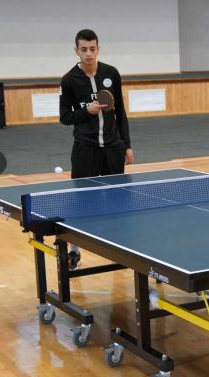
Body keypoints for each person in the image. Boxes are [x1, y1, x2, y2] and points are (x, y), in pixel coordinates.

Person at [59, 28, 133, 269]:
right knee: (82, 201)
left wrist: (127, 145)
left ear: (98, 49)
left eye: (92, 49)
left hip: (113, 148)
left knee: (117, 200)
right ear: (76, 51)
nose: (89, 54)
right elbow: (64, 117)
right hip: (85, 149)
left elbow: (120, 111)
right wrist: (86, 111)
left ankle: (119, 247)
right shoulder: (69, 80)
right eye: (84, 49)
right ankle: (75, 250)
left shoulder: (111, 73)